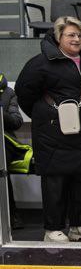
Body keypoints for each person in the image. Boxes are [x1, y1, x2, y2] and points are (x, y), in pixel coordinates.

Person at [15, 17, 81, 243]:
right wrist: (47, 116)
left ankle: (80, 226)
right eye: (71, 35)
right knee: (55, 181)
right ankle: (52, 229)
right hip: (53, 135)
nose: (77, 39)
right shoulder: (40, 63)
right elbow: (24, 94)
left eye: (80, 35)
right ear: (58, 37)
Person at [1, 72, 27, 230]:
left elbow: (17, 121)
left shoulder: (7, 92)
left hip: (4, 143)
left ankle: (10, 215)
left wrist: (0, 113)